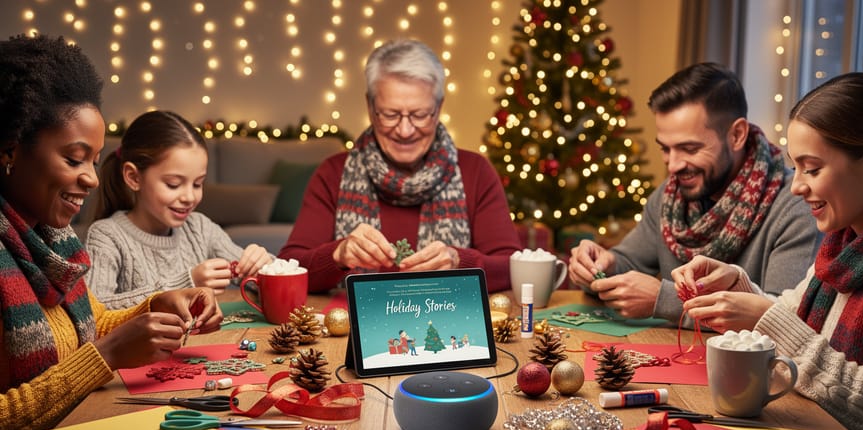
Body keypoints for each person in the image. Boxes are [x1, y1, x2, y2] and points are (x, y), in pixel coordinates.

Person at [0, 34, 222, 430]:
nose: (92, 180)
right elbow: (97, 348)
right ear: (9, 150)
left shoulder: (50, 239)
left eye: (94, 160)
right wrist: (104, 357)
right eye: (74, 159)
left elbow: (90, 324)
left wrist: (157, 304)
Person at [672, 72, 863, 430]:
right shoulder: (844, 248)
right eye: (795, 168)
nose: (796, 187)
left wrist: (765, 317)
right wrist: (738, 283)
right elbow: (795, 319)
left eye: (812, 169)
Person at [567, 62, 819, 322]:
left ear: (737, 135)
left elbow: (784, 321)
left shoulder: (796, 206)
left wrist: (663, 300)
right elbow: (626, 264)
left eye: (689, 148)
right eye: (665, 149)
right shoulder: (670, 197)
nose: (673, 166)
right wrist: (598, 268)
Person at [278, 39, 521, 293]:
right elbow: (287, 266)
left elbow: (513, 268)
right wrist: (338, 255)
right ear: (371, 108)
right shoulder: (333, 173)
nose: (405, 131)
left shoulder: (476, 172)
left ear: (438, 109)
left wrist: (461, 262)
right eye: (391, 114)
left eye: (419, 115)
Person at [85, 110, 272, 309]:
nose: (189, 197)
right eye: (173, 184)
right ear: (133, 177)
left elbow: (266, 281)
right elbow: (94, 311)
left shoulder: (199, 228)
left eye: (198, 184)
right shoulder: (106, 236)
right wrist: (186, 284)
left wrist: (265, 268)